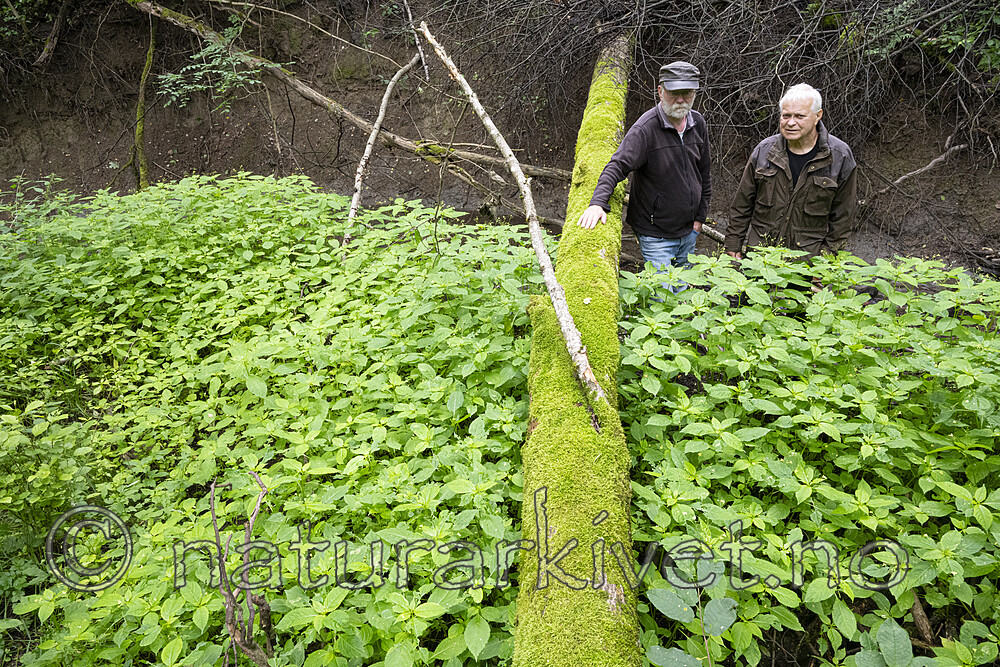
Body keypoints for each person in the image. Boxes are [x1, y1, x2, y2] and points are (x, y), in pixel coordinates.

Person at [577, 60, 711, 291]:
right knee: (661, 296)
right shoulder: (645, 129)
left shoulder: (697, 123)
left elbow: (705, 173)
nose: (680, 100)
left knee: (684, 291)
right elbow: (616, 166)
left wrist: (700, 218)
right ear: (660, 91)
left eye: (686, 93)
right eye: (673, 93)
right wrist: (598, 203)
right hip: (655, 234)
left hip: (689, 231)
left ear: (695, 92)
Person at [725, 83, 856, 260]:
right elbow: (742, 205)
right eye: (786, 116)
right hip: (760, 258)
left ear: (818, 116)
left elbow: (842, 218)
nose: (791, 122)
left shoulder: (839, 157)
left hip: (806, 262)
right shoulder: (764, 151)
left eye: (799, 116)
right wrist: (733, 245)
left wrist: (826, 262)